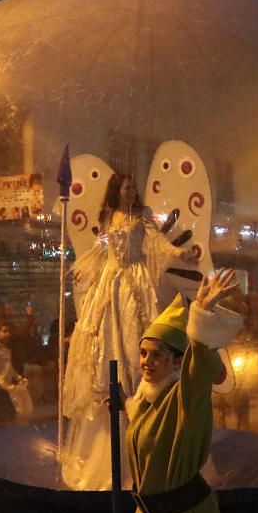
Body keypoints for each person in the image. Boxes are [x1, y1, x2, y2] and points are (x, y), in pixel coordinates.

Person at [61, 173, 192, 490]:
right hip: (111, 281)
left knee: (137, 336)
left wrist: (176, 253)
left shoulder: (141, 216)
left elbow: (157, 242)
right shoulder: (109, 216)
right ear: (116, 189)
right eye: (126, 186)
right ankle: (114, 410)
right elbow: (101, 246)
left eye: (134, 186)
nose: (131, 190)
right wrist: (83, 267)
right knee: (106, 340)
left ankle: (140, 401)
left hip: (135, 281)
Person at [127, 268, 242, 513]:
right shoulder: (146, 401)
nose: (147, 362)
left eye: (157, 355)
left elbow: (198, 370)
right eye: (144, 353)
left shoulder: (184, 398)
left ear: (177, 361)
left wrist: (202, 319)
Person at [0, 322, 31, 419]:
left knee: (12, 415)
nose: (7, 334)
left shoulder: (6, 349)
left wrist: (18, 378)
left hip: (7, 387)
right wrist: (3, 384)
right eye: (4, 331)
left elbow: (9, 367)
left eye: (8, 331)